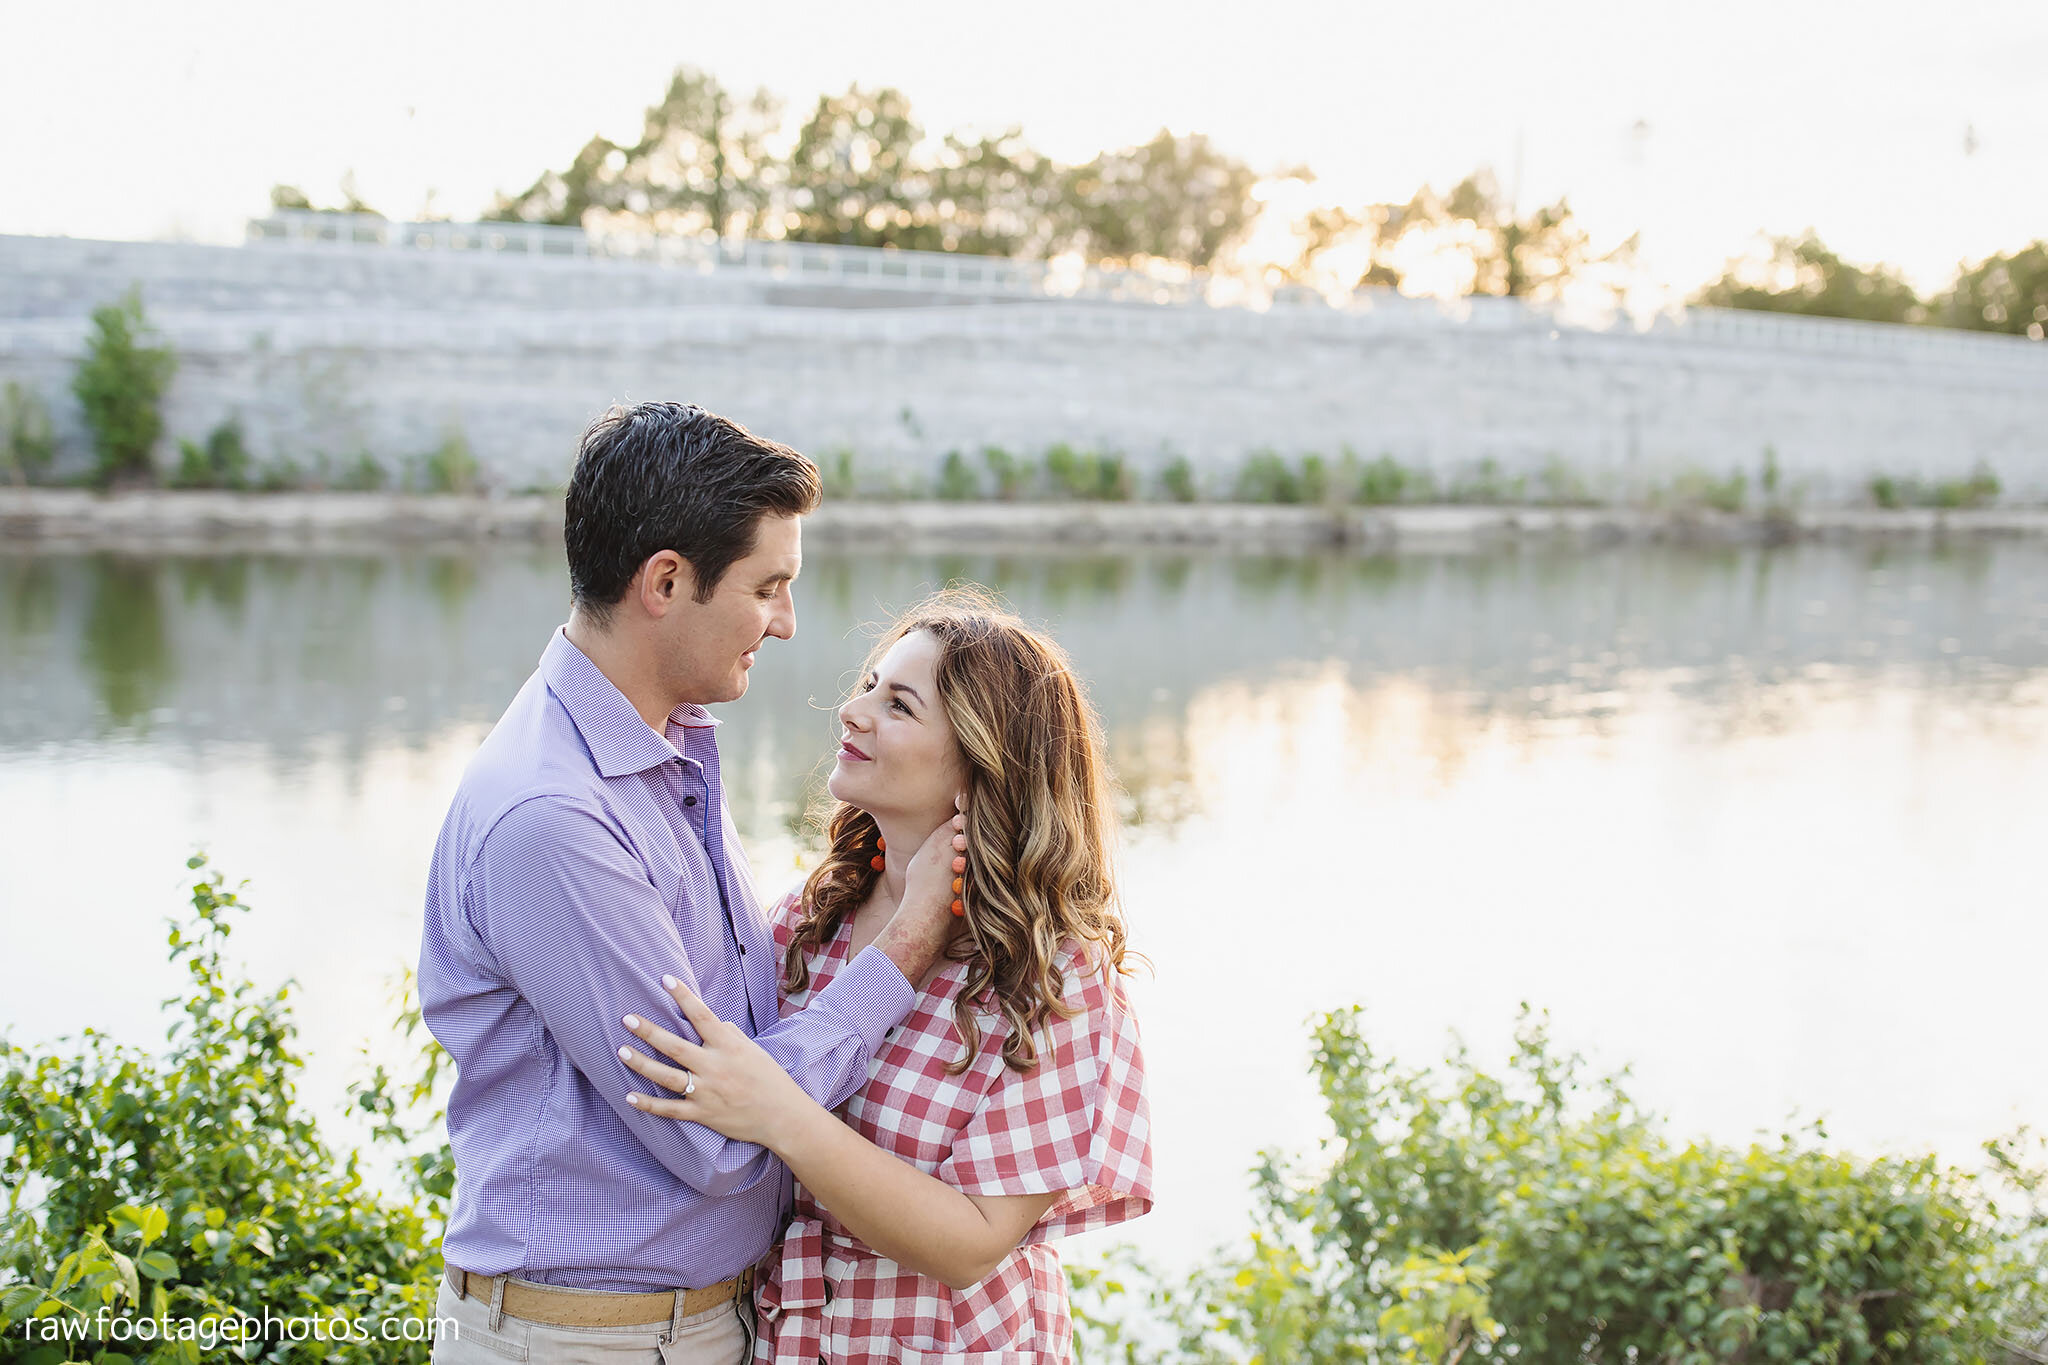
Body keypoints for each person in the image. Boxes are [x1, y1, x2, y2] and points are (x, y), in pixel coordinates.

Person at [417, 402, 964, 1365]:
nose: (787, 624)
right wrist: (901, 951)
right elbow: (716, 1139)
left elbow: (740, 1028)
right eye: (769, 587)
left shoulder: (666, 750)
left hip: (694, 1327)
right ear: (666, 580)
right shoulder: (555, 818)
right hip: (586, 1342)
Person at [617, 588, 1154, 1363]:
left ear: (981, 763)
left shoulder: (1052, 976)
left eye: (898, 704)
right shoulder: (809, 918)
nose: (852, 710)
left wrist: (782, 1113)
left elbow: (971, 1242)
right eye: (868, 683)